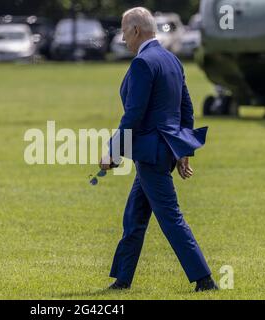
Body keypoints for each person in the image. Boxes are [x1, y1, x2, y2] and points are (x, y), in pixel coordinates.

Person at [99, 7, 218, 292]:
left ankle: (205, 280)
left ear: (136, 30)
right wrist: (182, 151)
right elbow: (185, 109)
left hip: (151, 153)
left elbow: (133, 115)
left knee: (170, 216)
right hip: (161, 152)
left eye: (124, 30)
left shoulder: (142, 64)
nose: (123, 37)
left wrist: (113, 152)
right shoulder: (172, 60)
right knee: (135, 216)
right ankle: (123, 279)